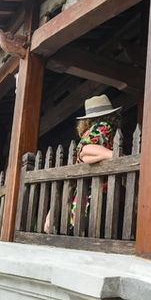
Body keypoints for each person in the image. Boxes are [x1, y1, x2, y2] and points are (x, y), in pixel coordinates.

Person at [44, 94, 121, 233]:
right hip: (98, 195)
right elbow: (86, 150)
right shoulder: (103, 126)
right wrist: (117, 157)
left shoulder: (87, 133)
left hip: (80, 199)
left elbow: (82, 156)